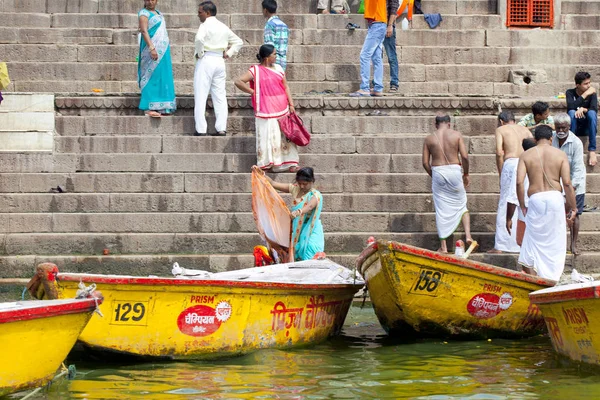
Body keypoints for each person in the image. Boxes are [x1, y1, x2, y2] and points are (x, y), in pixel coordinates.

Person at [516, 125, 577, 281]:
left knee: (532, 241)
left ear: (535, 139)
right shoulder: (560, 154)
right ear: (552, 138)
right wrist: (574, 207)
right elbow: (568, 183)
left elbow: (519, 182)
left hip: (535, 199)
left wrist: (522, 204)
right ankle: (552, 278)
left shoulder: (526, 155)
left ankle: (534, 279)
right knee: (555, 241)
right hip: (555, 198)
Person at [235, 44, 299, 172]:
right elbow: (238, 81)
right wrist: (253, 91)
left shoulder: (279, 68)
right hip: (265, 109)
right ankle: (268, 164)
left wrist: (291, 104)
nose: (276, 56)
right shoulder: (255, 71)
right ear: (266, 57)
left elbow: (286, 87)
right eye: (274, 54)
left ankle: (290, 164)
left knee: (285, 136)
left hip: (282, 107)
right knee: (268, 135)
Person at [422, 115, 473, 253]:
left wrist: (434, 175)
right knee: (462, 204)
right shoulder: (456, 135)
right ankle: (468, 236)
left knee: (441, 209)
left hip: (437, 170)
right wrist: (466, 173)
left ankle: (443, 247)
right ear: (449, 124)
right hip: (454, 169)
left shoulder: (429, 138)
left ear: (435, 124)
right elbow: (465, 157)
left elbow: (425, 163)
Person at [253, 166, 325, 261]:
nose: (302, 186)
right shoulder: (295, 189)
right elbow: (273, 183)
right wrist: (260, 173)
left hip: (310, 230)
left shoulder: (316, 195)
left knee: (309, 253)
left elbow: (310, 206)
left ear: (312, 181)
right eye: (300, 183)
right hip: (297, 229)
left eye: (305, 184)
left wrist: (299, 211)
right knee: (296, 256)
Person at [194, 1, 243, 136]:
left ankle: (201, 129)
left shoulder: (204, 25)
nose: (199, 15)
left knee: (201, 95)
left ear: (207, 13)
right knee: (220, 96)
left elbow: (199, 39)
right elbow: (239, 42)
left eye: (200, 12)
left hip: (206, 59)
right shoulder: (223, 26)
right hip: (219, 61)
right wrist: (228, 53)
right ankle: (221, 128)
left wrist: (199, 53)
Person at [489, 111, 532, 254]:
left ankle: (500, 246)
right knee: (522, 201)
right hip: (526, 163)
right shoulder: (525, 130)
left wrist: (501, 172)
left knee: (505, 201)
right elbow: (533, 146)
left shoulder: (501, 129)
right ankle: (521, 243)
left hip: (511, 164)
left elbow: (499, 152)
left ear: (501, 121)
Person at [552, 113, 587, 255]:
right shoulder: (551, 139)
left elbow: (578, 169)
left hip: (574, 184)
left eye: (563, 128)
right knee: (555, 215)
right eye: (558, 128)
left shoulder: (576, 142)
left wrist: (570, 188)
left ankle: (573, 244)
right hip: (556, 184)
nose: (561, 131)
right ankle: (557, 245)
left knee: (574, 213)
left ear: (569, 127)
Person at [350, 0, 399, 97]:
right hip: (377, 23)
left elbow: (394, 7)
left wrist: (390, 25)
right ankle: (378, 88)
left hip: (377, 24)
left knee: (365, 55)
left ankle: (364, 88)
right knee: (377, 58)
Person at [137, 0, 176, 118]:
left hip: (163, 51)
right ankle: (149, 107)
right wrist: (151, 48)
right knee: (150, 77)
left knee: (163, 76)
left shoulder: (159, 13)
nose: (150, 2)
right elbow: (144, 31)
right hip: (151, 50)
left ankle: (163, 107)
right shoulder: (144, 13)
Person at [506, 138, 536, 246]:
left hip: (526, 210)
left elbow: (514, 193)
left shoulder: (519, 165)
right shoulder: (548, 161)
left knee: (524, 244)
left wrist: (508, 218)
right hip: (544, 209)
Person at [566, 71, 598, 166]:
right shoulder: (570, 92)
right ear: (577, 85)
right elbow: (571, 106)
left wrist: (583, 109)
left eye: (589, 83)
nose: (589, 86)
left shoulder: (592, 94)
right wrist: (585, 95)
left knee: (592, 113)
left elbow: (594, 109)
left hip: (587, 127)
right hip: (574, 127)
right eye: (585, 84)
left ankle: (592, 150)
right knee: (571, 113)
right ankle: (571, 147)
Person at [262, 0, 289, 71]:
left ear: (265, 10)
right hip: (283, 60)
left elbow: (269, 45)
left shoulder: (270, 25)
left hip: (272, 61)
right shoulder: (283, 25)